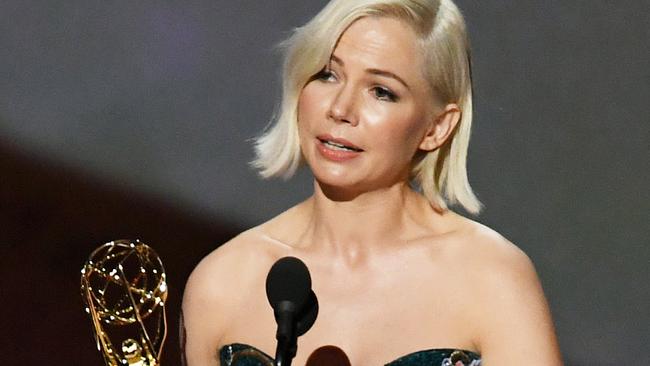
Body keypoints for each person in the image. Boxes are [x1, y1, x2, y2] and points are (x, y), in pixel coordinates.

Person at [181, 0, 563, 365]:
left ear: (436, 127)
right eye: (327, 74)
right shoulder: (222, 283)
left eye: (382, 91)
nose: (340, 109)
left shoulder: (491, 279)